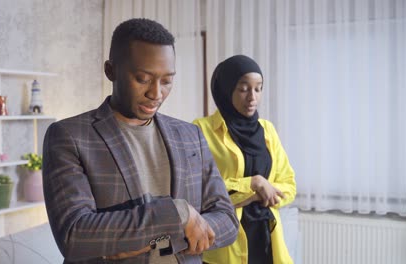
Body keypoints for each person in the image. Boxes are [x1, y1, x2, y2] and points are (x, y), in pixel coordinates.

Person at [42, 18, 238, 264]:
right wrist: (178, 213)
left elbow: (228, 222)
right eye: (143, 79)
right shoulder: (69, 136)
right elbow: (75, 236)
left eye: (166, 81)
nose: (156, 94)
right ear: (110, 70)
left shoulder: (190, 136)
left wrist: (154, 242)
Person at [193, 55, 296, 264]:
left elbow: (289, 186)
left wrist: (260, 194)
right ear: (226, 89)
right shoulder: (200, 130)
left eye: (258, 89)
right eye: (243, 89)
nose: (252, 98)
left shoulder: (267, 130)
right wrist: (254, 184)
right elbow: (199, 193)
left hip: (267, 239)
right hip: (224, 246)